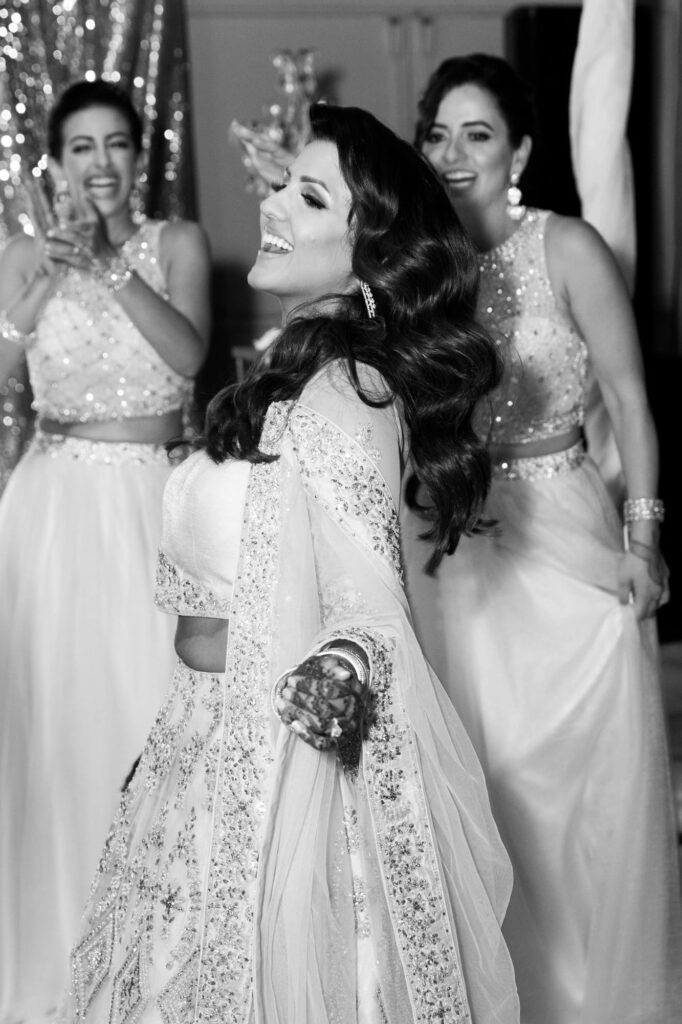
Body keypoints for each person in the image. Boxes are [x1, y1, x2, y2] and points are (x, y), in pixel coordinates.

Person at [58, 103, 520, 1023]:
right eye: (281, 183)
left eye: (309, 197)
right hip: (201, 745)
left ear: (370, 254)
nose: (273, 204)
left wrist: (338, 672)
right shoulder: (291, 374)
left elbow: (370, 610)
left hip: (276, 773)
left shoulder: (351, 389)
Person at [401, 53, 682, 1024]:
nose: (453, 153)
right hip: (460, 546)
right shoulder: (415, 262)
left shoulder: (566, 248)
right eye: (437, 134)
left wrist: (643, 540)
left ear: (518, 149)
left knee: (581, 792)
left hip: (564, 526)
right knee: (492, 782)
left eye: (476, 134)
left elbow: (633, 404)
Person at [0, 78, 211, 1021]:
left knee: (148, 710)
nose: (99, 163)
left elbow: (193, 358)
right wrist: (41, 283)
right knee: (51, 719)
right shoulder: (19, 254)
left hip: (148, 496)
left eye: (115, 144)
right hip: (49, 505)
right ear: (58, 161)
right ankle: (51, 954)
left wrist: (111, 268)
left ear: (138, 154)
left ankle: (160, 963)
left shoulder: (175, 244)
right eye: (81, 147)